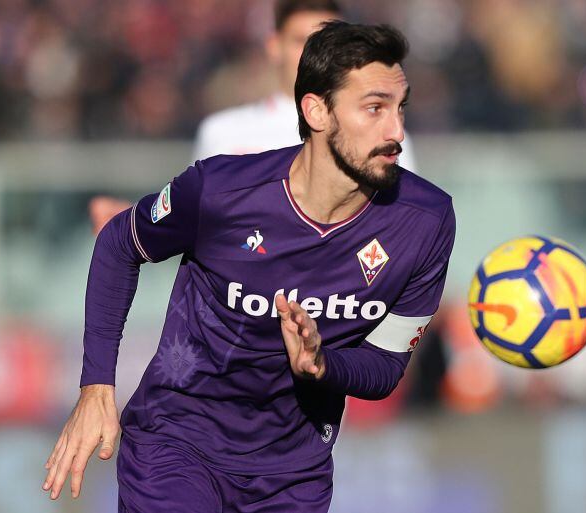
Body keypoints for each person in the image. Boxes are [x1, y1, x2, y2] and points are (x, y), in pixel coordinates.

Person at [43, 21, 455, 513]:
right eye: (375, 109)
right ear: (317, 111)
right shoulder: (222, 191)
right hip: (178, 442)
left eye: (400, 108)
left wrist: (323, 365)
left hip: (293, 474)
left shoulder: (426, 221)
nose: (397, 133)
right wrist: (96, 389)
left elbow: (386, 365)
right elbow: (118, 243)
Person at [88, 0, 418, 234]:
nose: (317, 54)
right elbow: (196, 227)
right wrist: (133, 223)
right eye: (303, 41)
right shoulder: (224, 132)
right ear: (274, 46)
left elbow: (404, 233)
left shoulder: (383, 133)